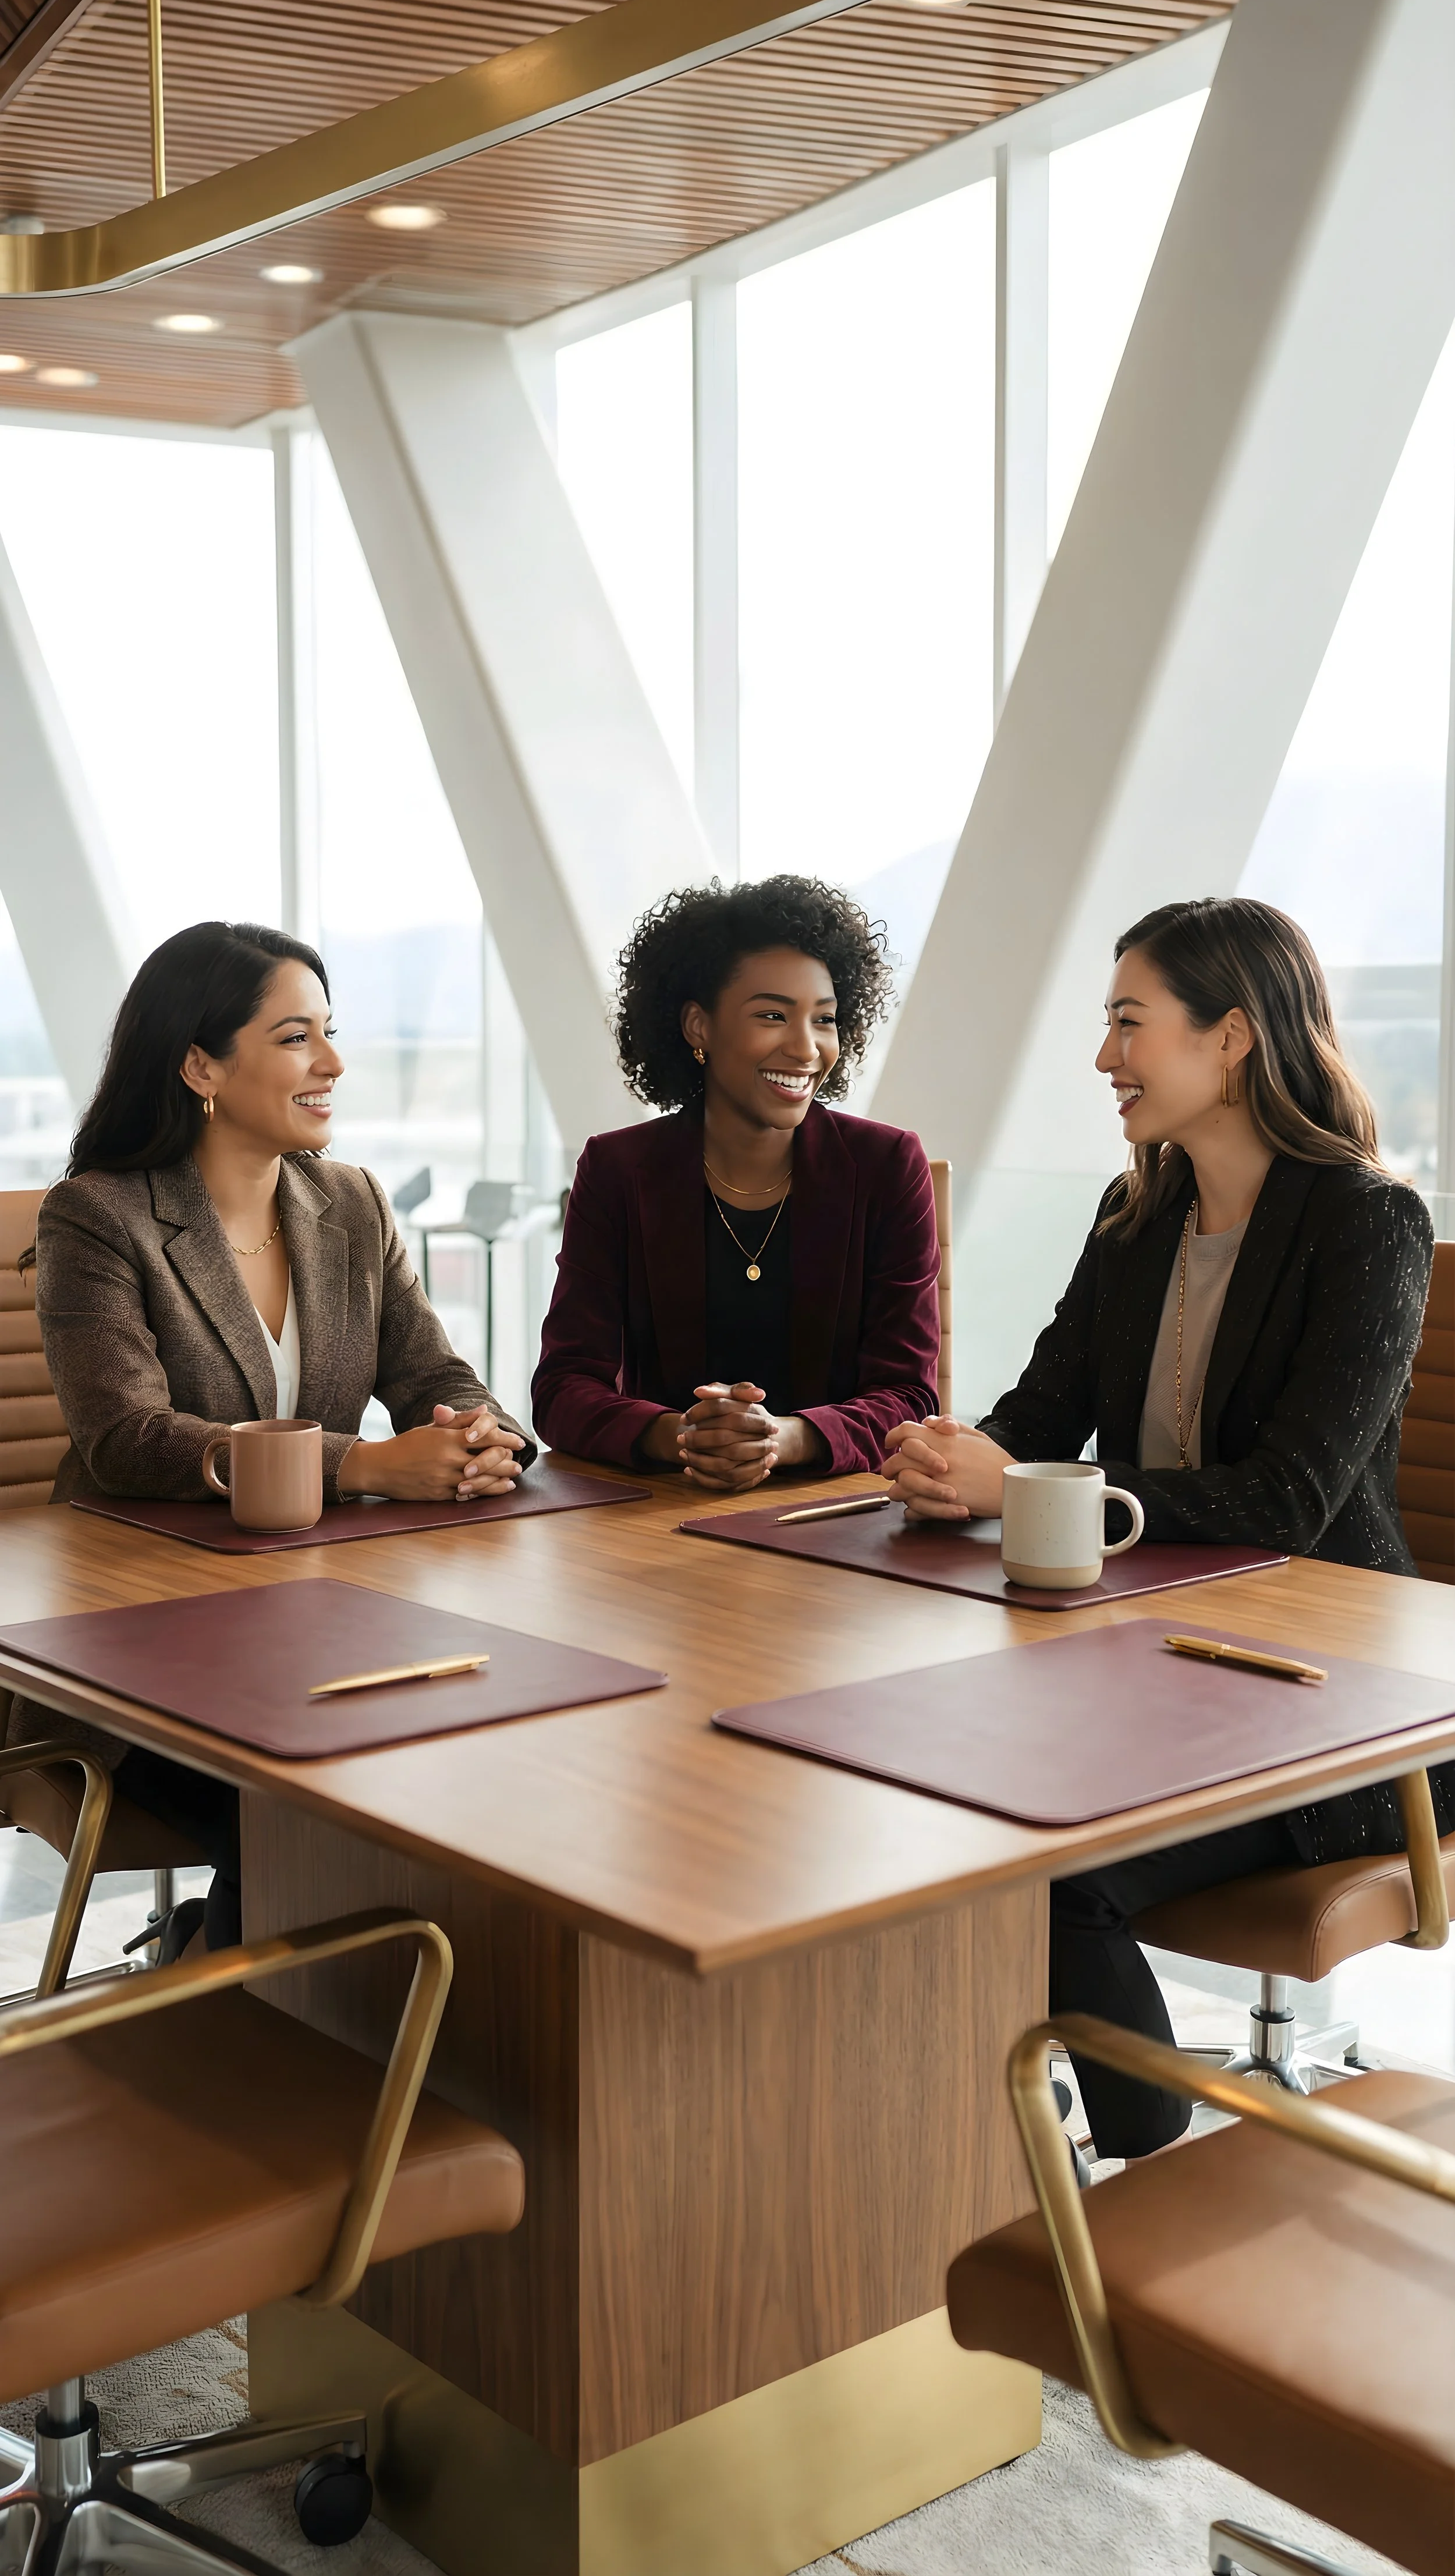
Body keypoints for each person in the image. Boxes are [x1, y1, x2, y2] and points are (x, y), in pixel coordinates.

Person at [882, 896, 1443, 2160]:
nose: (1102, 1059)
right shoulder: (1132, 1219)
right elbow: (1037, 1415)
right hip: (1160, 1677)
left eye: (1127, 1023)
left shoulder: (1365, 1225)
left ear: (1232, 1036)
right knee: (944, 1804)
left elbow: (1284, 1500)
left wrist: (1026, 1491)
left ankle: (1155, 2157)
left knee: (1048, 1871)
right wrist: (950, 1454)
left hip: (1340, 1709)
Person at [26, 920, 534, 1951]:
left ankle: (315, 1996)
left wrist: (488, 1438)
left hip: (320, 1624)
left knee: (474, 1750)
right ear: (202, 1063)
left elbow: (434, 1373)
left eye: (331, 1033)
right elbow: (128, 1436)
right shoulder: (97, 1215)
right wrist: (367, 1465)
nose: (334, 1063)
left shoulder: (346, 1201)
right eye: (298, 1036)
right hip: (146, 1640)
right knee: (333, 1796)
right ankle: (237, 2014)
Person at [532, 874, 940, 1489]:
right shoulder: (619, 1171)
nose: (806, 1048)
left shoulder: (886, 1166)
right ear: (699, 1028)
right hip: (659, 1516)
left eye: (824, 1020)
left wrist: (786, 1437)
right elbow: (563, 1387)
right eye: (773, 1015)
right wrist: (681, 1437)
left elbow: (910, 1394)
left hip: (838, 1514)